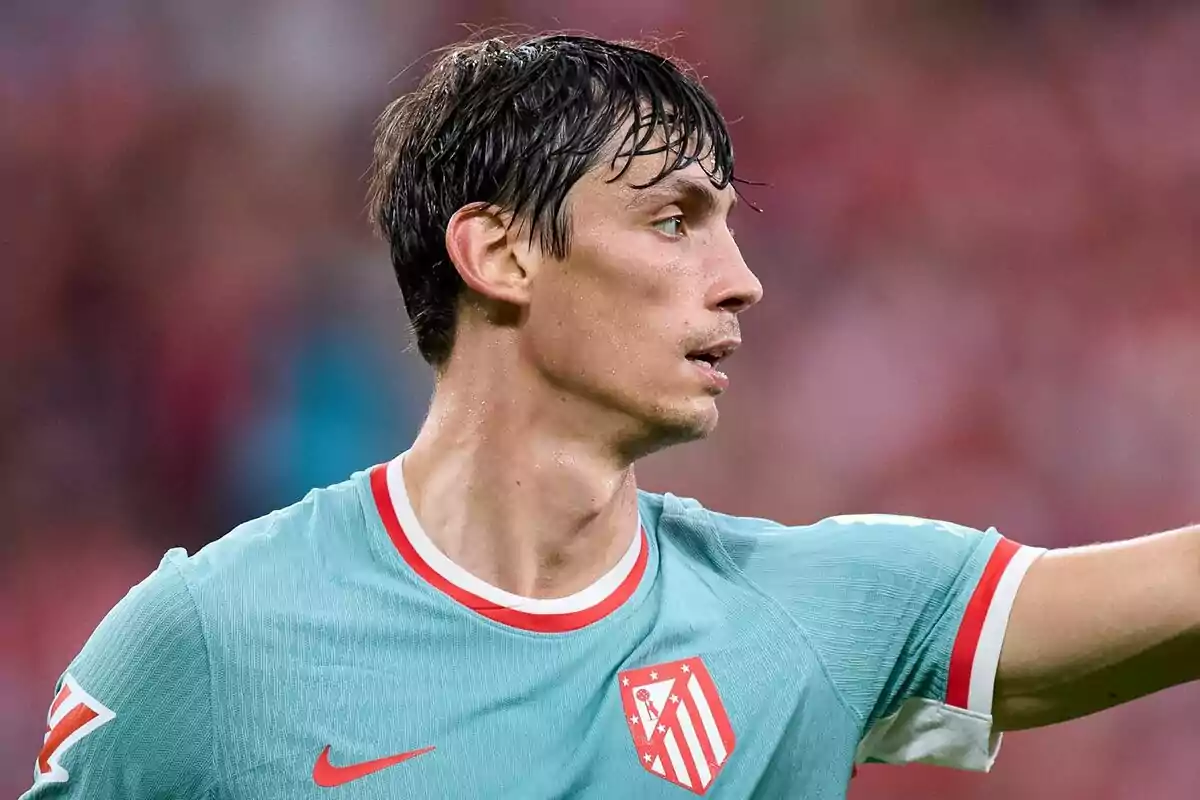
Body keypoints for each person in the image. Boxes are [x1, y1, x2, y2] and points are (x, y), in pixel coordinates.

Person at [21, 34, 1200, 799]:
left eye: (733, 225)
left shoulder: (810, 615)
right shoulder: (211, 641)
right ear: (500, 251)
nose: (742, 278)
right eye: (677, 220)